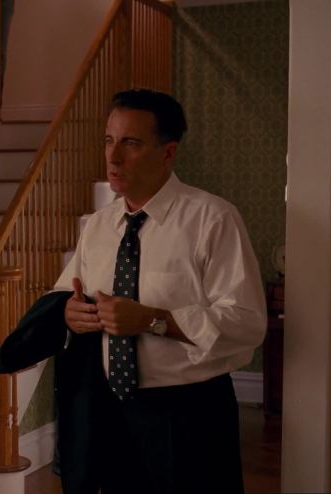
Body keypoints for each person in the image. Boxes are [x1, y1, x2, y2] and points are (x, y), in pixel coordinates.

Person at [56, 89, 267, 493]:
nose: (113, 157)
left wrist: (154, 320)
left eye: (131, 143)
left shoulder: (213, 219)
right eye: (108, 140)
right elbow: (66, 294)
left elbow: (247, 322)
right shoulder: (97, 226)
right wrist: (70, 313)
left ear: (168, 153)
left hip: (191, 413)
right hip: (113, 410)